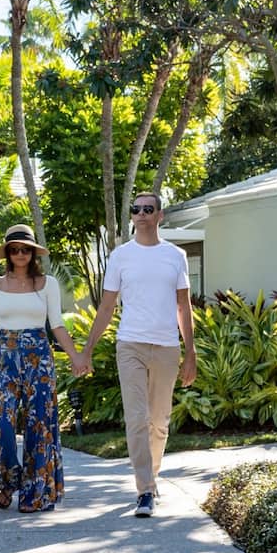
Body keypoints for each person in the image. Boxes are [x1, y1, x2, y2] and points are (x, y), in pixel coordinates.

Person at [75, 192, 195, 518]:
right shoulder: (120, 256)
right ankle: (144, 490)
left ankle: (151, 477)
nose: (141, 213)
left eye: (148, 209)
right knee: (137, 417)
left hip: (167, 347)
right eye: (136, 209)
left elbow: (183, 306)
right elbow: (106, 307)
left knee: (159, 421)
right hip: (130, 344)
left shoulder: (176, 256)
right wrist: (86, 350)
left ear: (159, 215)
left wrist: (191, 352)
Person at [0, 224, 72, 512]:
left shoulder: (47, 284)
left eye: (25, 249)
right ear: (7, 253)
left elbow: (56, 324)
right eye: (14, 249)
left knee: (39, 423)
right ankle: (6, 483)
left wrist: (76, 356)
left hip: (39, 355)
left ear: (32, 252)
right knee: (2, 422)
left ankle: (34, 494)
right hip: (6, 357)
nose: (20, 254)